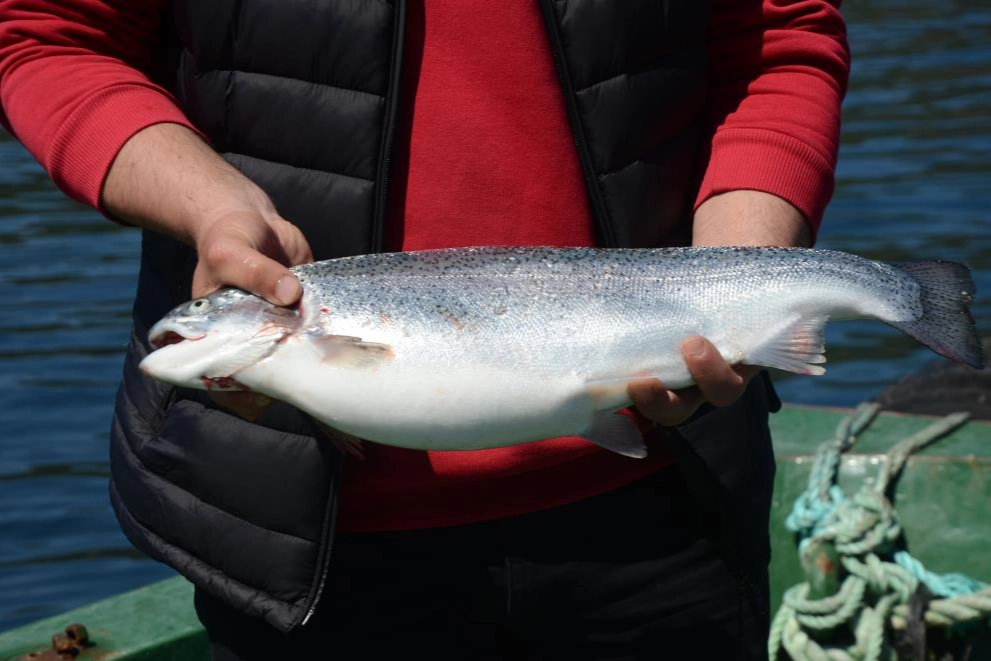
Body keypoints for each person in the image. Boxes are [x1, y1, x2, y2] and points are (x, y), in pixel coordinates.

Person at [0, 1, 849, 658]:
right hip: (297, 538)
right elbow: (45, 38)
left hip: (669, 502)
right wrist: (211, 206)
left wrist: (736, 289)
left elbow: (778, 43)